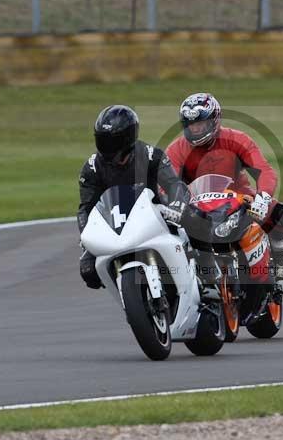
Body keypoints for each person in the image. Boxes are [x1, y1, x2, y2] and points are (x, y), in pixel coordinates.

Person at [77, 105, 220, 302]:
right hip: (117, 226)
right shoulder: (92, 168)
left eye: (112, 141)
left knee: (197, 218)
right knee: (88, 272)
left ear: (127, 138)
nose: (107, 146)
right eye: (102, 139)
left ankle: (210, 276)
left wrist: (177, 206)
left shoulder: (150, 155)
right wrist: (86, 248)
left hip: (154, 214)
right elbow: (86, 209)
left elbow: (173, 184)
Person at [165, 92, 283, 280]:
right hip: (195, 204)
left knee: (278, 212)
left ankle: (281, 256)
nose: (196, 130)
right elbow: (166, 182)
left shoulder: (237, 139)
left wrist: (263, 198)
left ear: (215, 120)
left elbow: (264, 170)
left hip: (239, 197)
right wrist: (172, 204)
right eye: (191, 125)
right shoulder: (176, 149)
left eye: (200, 124)